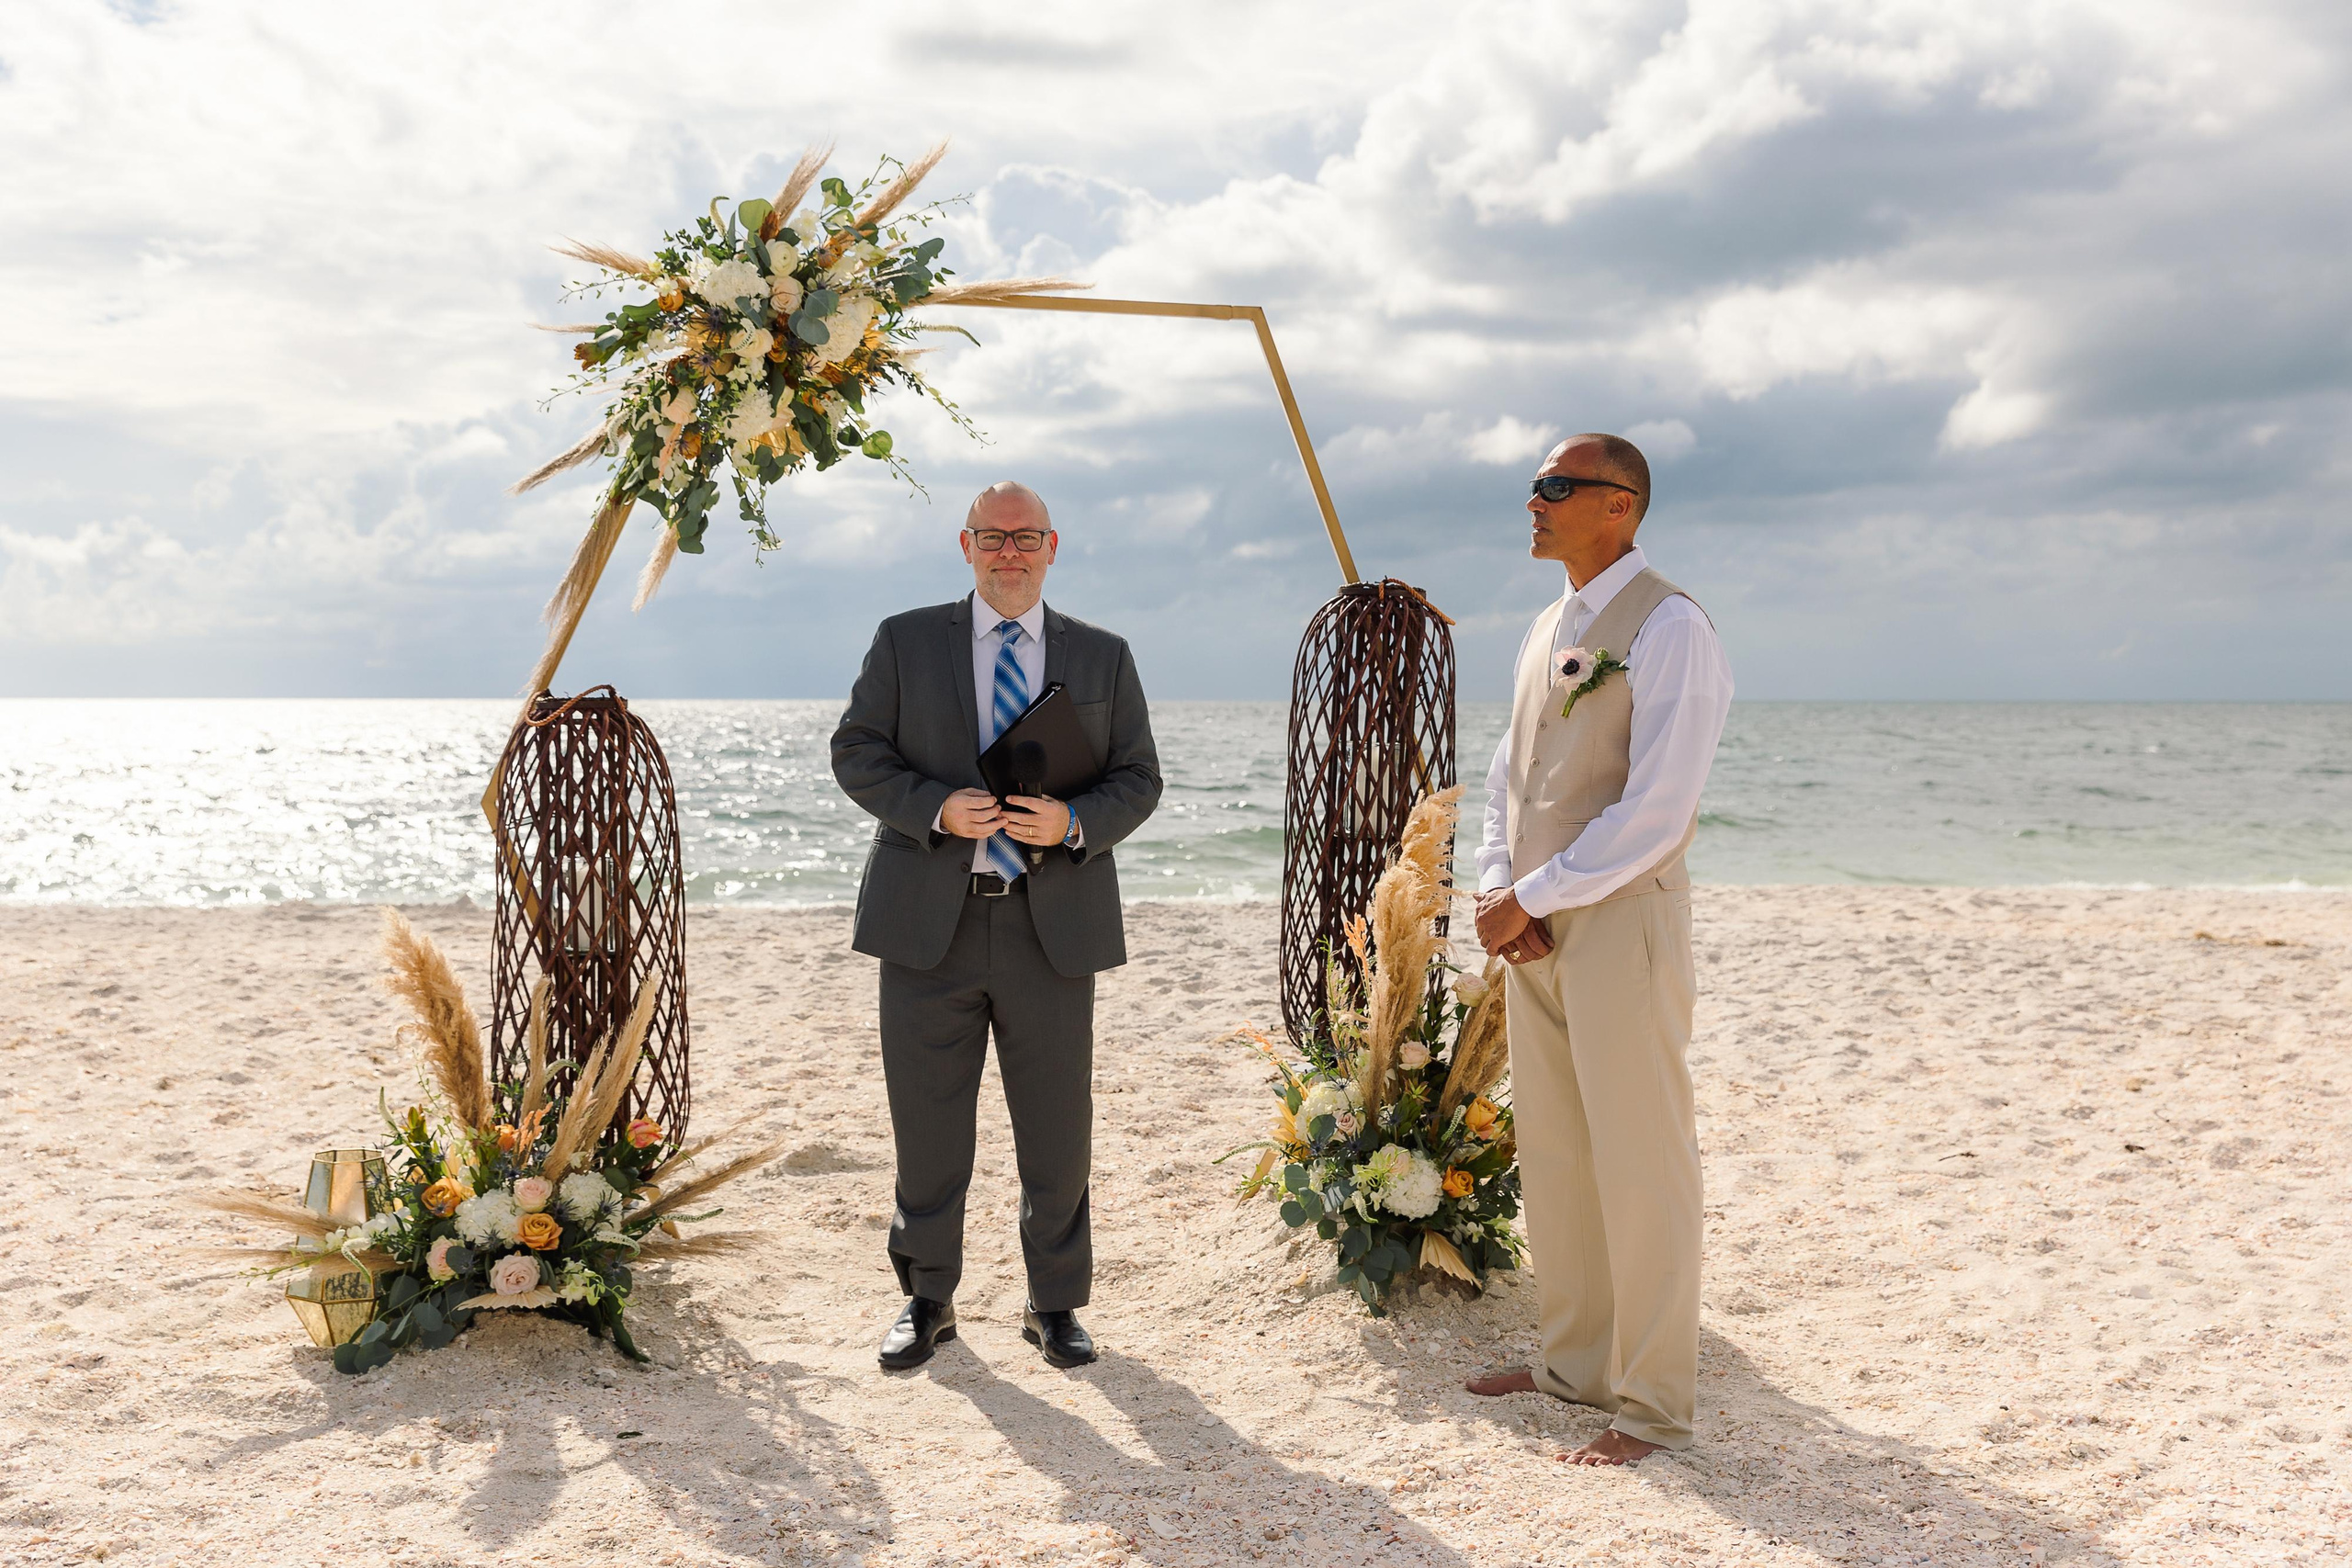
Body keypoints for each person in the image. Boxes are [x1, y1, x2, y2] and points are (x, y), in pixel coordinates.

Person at [831, 480, 1161, 1371]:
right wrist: (936, 806)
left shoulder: (1102, 656)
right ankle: (927, 1300)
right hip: (924, 929)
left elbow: (1137, 778)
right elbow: (855, 752)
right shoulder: (904, 641)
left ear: (1053, 547)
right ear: (966, 545)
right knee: (927, 1127)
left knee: (1056, 1130)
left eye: (1025, 538)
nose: (1008, 551)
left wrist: (1074, 824)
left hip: (1049, 929)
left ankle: (1053, 1305)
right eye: (992, 537)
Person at [1463, 433, 1734, 1464]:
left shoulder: (1671, 626)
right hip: (1532, 925)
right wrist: (1497, 888)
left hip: (1619, 925)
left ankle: (1654, 1403)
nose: (1533, 502)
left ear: (1619, 505)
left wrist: (1530, 892)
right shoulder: (1546, 626)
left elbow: (1659, 809)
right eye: (1534, 486)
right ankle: (1575, 1365)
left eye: (1555, 487)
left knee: (1642, 1160)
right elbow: (1507, 773)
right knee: (1561, 1151)